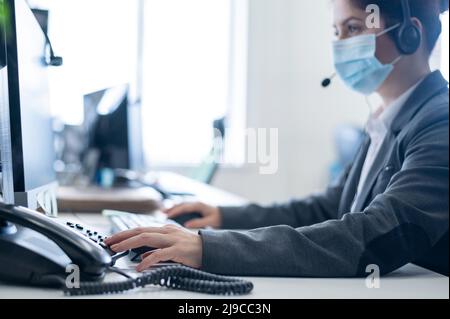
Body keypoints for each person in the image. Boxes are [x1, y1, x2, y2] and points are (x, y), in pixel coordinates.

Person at [105, 0, 449, 277]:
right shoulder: (385, 119)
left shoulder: (440, 120)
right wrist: (223, 219)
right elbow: (327, 209)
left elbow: (378, 235)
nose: (339, 44)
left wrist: (211, 248)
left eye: (354, 28)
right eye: (336, 31)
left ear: (409, 34)